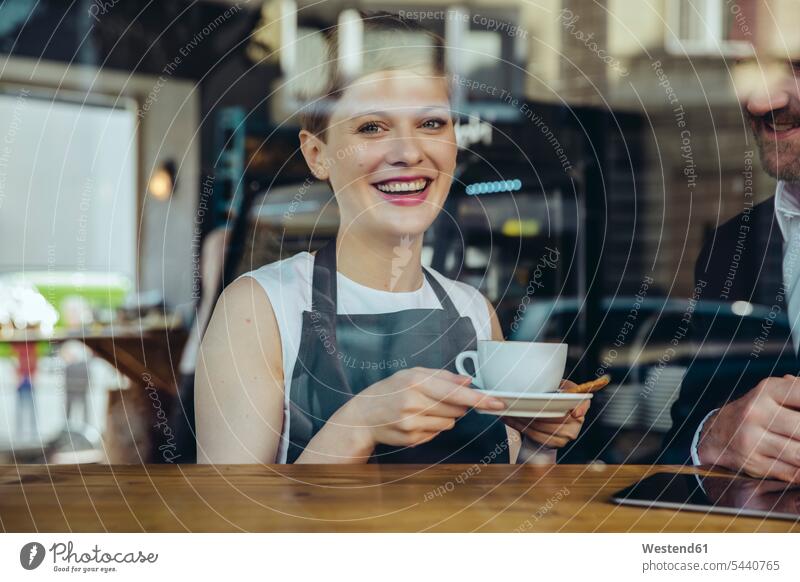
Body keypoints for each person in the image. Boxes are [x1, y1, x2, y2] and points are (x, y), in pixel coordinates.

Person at [195, 12, 590, 464]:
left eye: (431, 124)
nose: (408, 152)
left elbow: (507, 503)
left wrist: (538, 436)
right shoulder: (257, 309)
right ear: (317, 155)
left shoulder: (473, 313)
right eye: (371, 127)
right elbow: (232, 523)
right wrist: (357, 425)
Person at [662, 56, 800, 482]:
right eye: (750, 69)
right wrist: (715, 436)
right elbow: (687, 428)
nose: (763, 102)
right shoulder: (730, 247)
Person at [12, 341, 38, 441]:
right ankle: (20, 433)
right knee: (21, 410)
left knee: (32, 410)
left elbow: (35, 365)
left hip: (29, 382)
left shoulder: (31, 348)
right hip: (21, 383)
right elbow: (14, 364)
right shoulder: (19, 348)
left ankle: (33, 433)